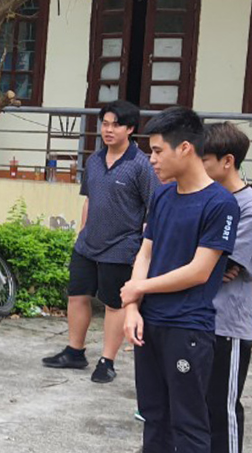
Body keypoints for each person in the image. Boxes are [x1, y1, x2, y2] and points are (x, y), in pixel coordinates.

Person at [110, 107, 240, 453]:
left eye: (158, 151)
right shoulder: (164, 196)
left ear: (186, 148)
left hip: (189, 327)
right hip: (150, 322)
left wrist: (136, 289)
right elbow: (145, 251)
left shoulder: (220, 204)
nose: (152, 159)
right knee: (154, 413)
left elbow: (200, 271)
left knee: (188, 421)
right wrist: (133, 306)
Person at [42, 100, 161, 383]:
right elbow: (89, 199)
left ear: (130, 129)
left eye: (116, 125)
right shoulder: (94, 160)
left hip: (121, 246)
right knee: (77, 296)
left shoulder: (141, 165)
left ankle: (107, 361)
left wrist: (143, 248)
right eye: (105, 123)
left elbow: (153, 209)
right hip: (87, 244)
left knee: (113, 304)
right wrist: (82, 232)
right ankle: (75, 351)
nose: (108, 130)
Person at [201, 122, 252, 453]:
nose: (199, 164)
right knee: (199, 402)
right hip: (200, 318)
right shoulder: (210, 201)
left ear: (228, 162)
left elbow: (225, 266)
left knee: (223, 403)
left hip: (229, 323)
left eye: (205, 159)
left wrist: (201, 263)